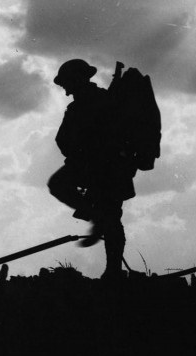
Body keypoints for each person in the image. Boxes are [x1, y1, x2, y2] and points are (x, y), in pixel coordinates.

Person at [48, 59, 136, 282]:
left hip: (106, 168)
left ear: (76, 80)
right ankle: (112, 266)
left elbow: (67, 139)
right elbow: (63, 139)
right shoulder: (91, 102)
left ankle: (113, 270)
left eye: (67, 82)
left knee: (110, 216)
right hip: (101, 168)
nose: (65, 88)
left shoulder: (96, 102)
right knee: (111, 217)